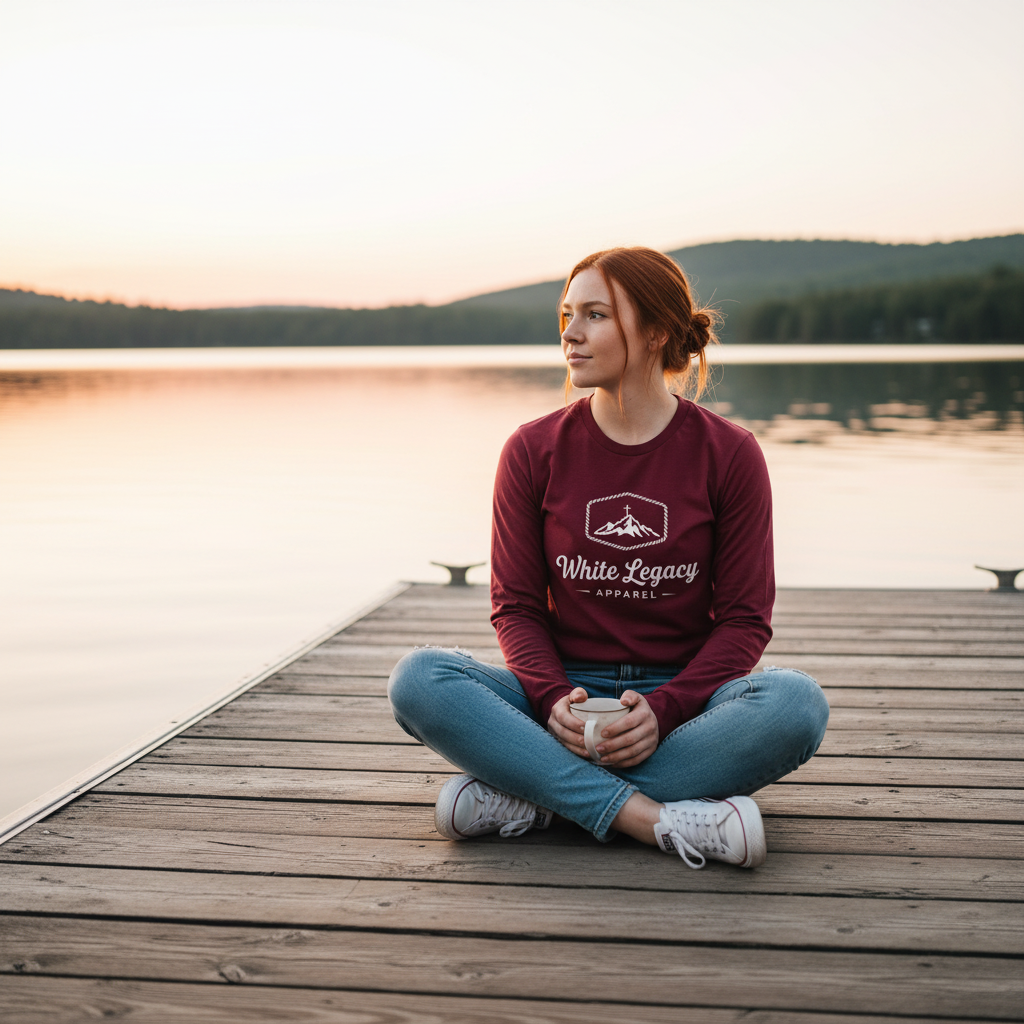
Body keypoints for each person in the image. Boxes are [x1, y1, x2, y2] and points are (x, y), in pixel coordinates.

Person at [388, 246, 829, 869]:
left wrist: (667, 708)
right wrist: (550, 700)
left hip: (681, 708)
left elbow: (744, 621)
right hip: (561, 697)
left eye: (595, 314)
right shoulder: (532, 450)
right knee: (420, 679)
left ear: (655, 332)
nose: (570, 333)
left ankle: (536, 799)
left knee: (797, 704)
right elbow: (515, 607)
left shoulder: (730, 454)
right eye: (567, 314)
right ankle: (652, 819)